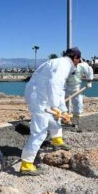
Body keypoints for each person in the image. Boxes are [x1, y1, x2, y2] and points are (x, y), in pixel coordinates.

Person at [20, 47, 82, 176]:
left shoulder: (59, 63)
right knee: (40, 131)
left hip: (43, 96)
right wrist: (54, 106)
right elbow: (54, 84)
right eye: (78, 60)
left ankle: (57, 140)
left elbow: (59, 91)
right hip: (38, 98)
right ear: (75, 58)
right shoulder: (64, 64)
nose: (78, 63)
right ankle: (26, 164)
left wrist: (63, 110)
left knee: (55, 118)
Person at [65, 60, 94, 127]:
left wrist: (89, 81)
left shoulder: (82, 65)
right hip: (65, 86)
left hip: (76, 88)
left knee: (78, 103)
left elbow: (89, 70)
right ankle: (66, 120)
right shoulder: (65, 65)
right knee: (64, 104)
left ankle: (76, 121)